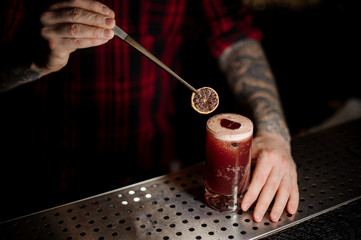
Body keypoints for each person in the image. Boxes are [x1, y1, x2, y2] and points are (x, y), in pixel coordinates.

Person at [0, 0, 298, 223]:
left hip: (155, 174)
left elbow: (234, 33)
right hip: (52, 182)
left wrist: (274, 132)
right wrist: (35, 63)